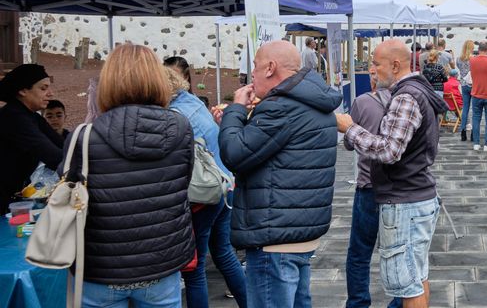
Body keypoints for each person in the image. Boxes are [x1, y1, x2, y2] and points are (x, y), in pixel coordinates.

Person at [68, 44, 195, 307]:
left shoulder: (84, 136)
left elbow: (70, 196)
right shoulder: (181, 128)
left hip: (100, 267)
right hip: (160, 263)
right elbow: (184, 181)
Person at [216, 40, 340, 308]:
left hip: (274, 238)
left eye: (256, 67)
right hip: (298, 232)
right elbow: (268, 151)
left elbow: (234, 154)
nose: (252, 73)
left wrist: (236, 110)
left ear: (270, 68)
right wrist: (239, 120)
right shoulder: (313, 101)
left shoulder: (280, 108)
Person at [337, 39, 446, 308]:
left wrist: (349, 128)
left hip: (404, 200)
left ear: (395, 65)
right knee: (417, 277)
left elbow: (389, 150)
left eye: (376, 63)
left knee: (409, 285)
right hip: (414, 195)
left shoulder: (407, 96)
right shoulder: (417, 90)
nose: (372, 69)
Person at [168, 68, 246, 308]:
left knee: (195, 267)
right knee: (223, 253)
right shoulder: (191, 100)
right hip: (224, 186)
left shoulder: (174, 113)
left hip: (205, 193)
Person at [343, 73, 402, 308]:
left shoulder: (362, 102)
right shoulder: (407, 102)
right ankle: (398, 302)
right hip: (399, 190)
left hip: (368, 186)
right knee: (399, 254)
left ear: (374, 81)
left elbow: (348, 142)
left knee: (359, 253)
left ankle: (358, 303)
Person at [0, 64, 63, 213]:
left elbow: (63, 144)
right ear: (23, 90)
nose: (50, 94)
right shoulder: (14, 117)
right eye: (43, 88)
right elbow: (54, 156)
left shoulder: (32, 117)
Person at [458, 40, 475, 141]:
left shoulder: (458, 59)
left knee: (465, 108)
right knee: (474, 109)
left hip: (463, 84)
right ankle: (473, 132)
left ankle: (463, 132)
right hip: (473, 84)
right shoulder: (473, 59)